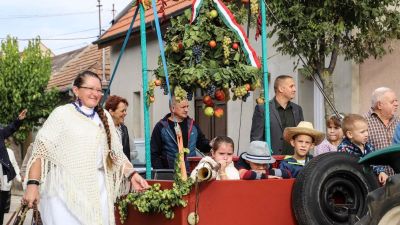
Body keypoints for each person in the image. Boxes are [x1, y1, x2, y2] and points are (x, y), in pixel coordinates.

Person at [22, 71, 149, 225]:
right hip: (64, 192)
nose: (95, 93)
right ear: (76, 90)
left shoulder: (106, 118)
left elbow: (117, 154)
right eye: (90, 88)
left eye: (99, 90)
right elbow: (40, 153)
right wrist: (32, 185)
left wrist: (133, 175)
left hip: (98, 191)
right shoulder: (62, 114)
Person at [151, 96, 211, 172]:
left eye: (187, 106)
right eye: (183, 107)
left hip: (191, 173)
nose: (186, 110)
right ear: (172, 108)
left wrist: (211, 144)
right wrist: (163, 172)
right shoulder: (161, 127)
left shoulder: (192, 125)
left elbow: (202, 144)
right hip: (170, 175)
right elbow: (154, 154)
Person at [250, 75, 304, 155]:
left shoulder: (297, 109)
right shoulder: (263, 109)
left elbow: (303, 136)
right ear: (281, 89)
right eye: (291, 86)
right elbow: (256, 140)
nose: (294, 89)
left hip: (294, 162)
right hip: (271, 162)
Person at [338, 114, 388, 185]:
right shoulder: (344, 149)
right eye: (362, 132)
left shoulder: (368, 146)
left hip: (370, 182)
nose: (366, 134)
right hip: (353, 183)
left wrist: (381, 172)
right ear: (350, 134)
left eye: (367, 131)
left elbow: (375, 161)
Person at [364, 87, 399, 176]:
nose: (397, 104)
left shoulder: (398, 122)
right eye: (392, 102)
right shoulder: (363, 122)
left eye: (396, 101)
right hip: (374, 181)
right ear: (379, 105)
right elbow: (359, 153)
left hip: (397, 181)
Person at [105, 95, 137, 161]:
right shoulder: (102, 129)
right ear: (111, 112)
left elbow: (128, 153)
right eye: (122, 111)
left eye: (125, 110)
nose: (125, 113)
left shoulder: (124, 129)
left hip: (123, 169)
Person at [0, 146, 22, 224]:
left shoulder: (9, 151)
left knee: (1, 210)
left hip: (5, 187)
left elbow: (14, 165)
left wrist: (19, 178)